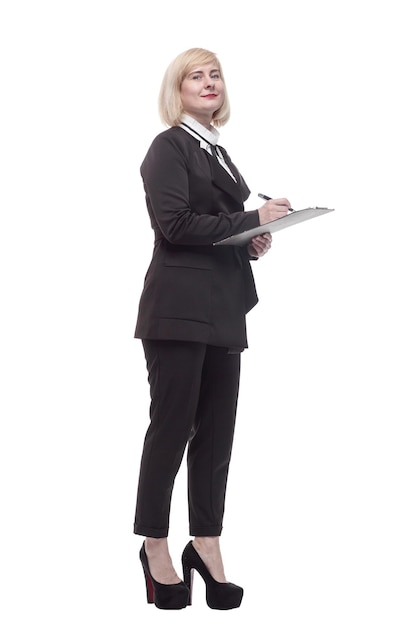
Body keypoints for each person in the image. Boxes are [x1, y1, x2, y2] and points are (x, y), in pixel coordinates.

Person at [133, 47, 291, 610]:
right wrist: (251, 218)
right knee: (171, 430)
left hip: (223, 307)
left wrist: (252, 240)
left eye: (215, 73)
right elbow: (174, 226)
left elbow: (217, 225)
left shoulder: (220, 154)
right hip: (178, 310)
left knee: (217, 439)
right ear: (176, 90)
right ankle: (156, 544)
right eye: (195, 75)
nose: (209, 82)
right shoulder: (168, 147)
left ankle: (206, 542)